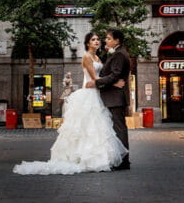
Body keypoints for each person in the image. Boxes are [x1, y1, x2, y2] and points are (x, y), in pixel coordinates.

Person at [13, 32, 127, 175]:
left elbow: (101, 77)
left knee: (96, 128)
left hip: (97, 94)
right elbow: (94, 78)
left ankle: (100, 158)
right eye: (93, 39)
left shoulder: (97, 57)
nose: (97, 41)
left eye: (98, 39)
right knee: (88, 127)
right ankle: (84, 158)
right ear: (87, 43)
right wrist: (115, 83)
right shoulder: (86, 57)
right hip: (90, 93)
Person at [87, 28, 131, 171]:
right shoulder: (117, 52)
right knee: (117, 128)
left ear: (117, 40)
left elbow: (115, 74)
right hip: (113, 95)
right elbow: (113, 74)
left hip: (115, 97)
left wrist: (97, 82)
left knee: (119, 129)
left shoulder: (119, 54)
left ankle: (123, 161)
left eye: (108, 38)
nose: (105, 40)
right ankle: (120, 159)